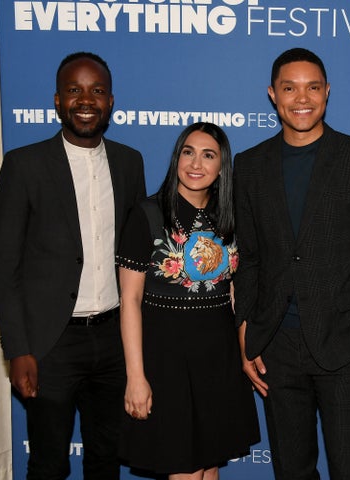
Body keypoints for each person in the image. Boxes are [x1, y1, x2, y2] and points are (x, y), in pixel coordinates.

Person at [233, 47, 350, 480]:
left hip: (347, 347)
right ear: (273, 94)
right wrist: (246, 331)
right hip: (277, 347)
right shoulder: (248, 166)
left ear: (327, 92)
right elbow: (248, 258)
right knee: (291, 471)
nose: (301, 98)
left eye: (312, 87)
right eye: (289, 88)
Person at [0, 52, 146, 479]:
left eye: (96, 91)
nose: (86, 99)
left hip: (114, 342)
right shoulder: (23, 165)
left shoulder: (130, 163)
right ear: (57, 100)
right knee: (48, 463)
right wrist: (18, 348)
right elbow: (5, 268)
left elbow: (137, 256)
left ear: (111, 101)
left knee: (106, 459)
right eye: (74, 90)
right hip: (50, 344)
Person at [117, 122, 260, 480]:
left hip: (218, 360)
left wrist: (244, 353)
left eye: (208, 155)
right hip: (166, 362)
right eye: (188, 152)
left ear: (221, 166)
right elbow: (130, 301)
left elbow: (233, 293)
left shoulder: (230, 218)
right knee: (183, 471)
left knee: (208, 469)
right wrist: (136, 376)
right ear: (176, 157)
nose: (196, 163)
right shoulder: (147, 214)